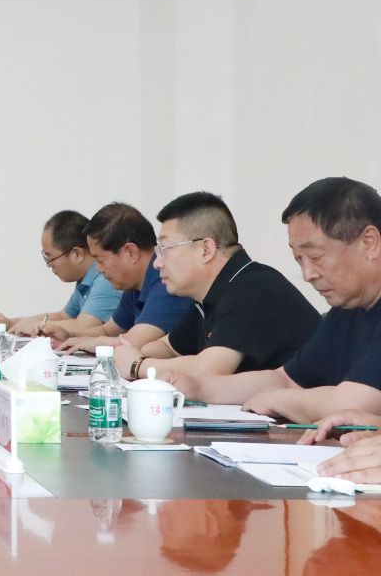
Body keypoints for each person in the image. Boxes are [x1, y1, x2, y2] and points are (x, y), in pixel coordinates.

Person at [165, 177, 381, 424]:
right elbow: (285, 379)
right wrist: (199, 388)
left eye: (315, 256)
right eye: (299, 259)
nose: (307, 274)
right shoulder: (347, 310)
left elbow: (352, 405)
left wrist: (280, 400)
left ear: (369, 243)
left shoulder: (254, 287)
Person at [113, 192, 320, 381]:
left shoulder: (253, 289)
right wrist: (135, 355)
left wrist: (138, 365)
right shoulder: (209, 295)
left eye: (165, 249)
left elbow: (208, 371)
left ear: (206, 249)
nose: (157, 263)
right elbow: (167, 346)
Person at [44, 202, 193, 352]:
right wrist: (67, 335)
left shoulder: (166, 280)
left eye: (100, 260)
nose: (98, 269)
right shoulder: (134, 286)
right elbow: (107, 331)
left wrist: (97, 343)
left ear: (131, 252)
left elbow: (133, 343)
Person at [0, 210, 122, 336]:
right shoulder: (85, 278)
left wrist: (36, 325)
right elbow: (63, 316)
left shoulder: (105, 278)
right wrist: (11, 323)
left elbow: (84, 326)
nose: (48, 265)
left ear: (77, 254)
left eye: (49, 258)